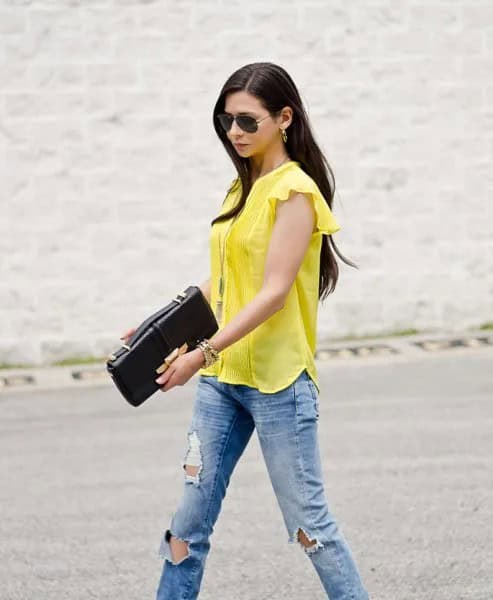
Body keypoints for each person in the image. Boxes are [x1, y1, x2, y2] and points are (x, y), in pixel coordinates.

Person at [122, 61, 369, 600]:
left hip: (280, 385)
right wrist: (156, 327)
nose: (234, 131)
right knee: (185, 526)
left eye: (247, 121)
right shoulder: (244, 188)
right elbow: (224, 279)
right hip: (223, 384)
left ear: (284, 118)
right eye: (226, 120)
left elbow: (273, 291)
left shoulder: (295, 192)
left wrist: (201, 354)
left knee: (311, 532)